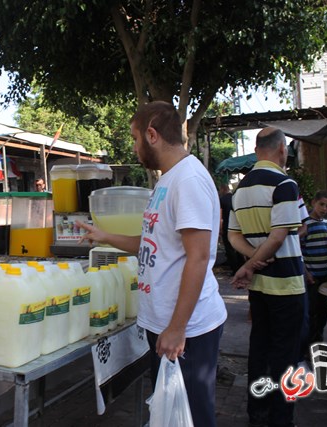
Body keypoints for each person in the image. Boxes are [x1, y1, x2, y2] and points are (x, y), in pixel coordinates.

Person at [77, 101, 227, 427]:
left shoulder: (187, 180)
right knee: (170, 417)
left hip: (189, 328)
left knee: (192, 417)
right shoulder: (166, 181)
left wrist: (176, 327)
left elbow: (198, 257)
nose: (134, 147)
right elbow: (152, 244)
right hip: (166, 325)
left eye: (134, 138)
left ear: (152, 134)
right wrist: (104, 236)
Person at [228, 127, 305, 427]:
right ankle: (281, 419)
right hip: (286, 284)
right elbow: (279, 236)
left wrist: (250, 259)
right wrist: (250, 265)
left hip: (259, 287)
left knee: (259, 348)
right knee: (285, 354)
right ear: (282, 150)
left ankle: (256, 413)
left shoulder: (241, 189)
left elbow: (233, 236)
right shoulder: (285, 183)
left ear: (257, 149)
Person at [300, 190, 327, 349]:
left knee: (323, 310)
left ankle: (318, 339)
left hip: (325, 274)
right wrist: (306, 273)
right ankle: (309, 344)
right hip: (311, 275)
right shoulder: (305, 225)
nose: (324, 208)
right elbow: (300, 251)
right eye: (322, 204)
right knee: (312, 311)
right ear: (313, 203)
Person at [219, 183, 244, 275]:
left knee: (229, 249)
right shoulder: (235, 198)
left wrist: (220, 228)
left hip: (226, 226)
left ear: (222, 190)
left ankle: (234, 269)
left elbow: (220, 215)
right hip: (238, 226)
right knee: (239, 247)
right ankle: (241, 265)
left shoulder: (222, 199)